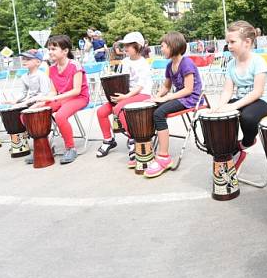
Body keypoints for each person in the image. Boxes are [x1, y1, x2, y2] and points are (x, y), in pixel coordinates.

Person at [213, 20, 267, 172]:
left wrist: (232, 106)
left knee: (248, 117)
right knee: (220, 117)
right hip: (242, 100)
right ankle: (229, 149)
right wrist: (219, 107)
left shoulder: (258, 61)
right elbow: (227, 91)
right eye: (227, 42)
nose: (229, 46)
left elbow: (257, 92)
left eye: (232, 42)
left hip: (260, 101)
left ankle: (246, 142)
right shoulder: (231, 64)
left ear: (247, 42)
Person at [150, 32, 203, 177]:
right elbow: (166, 87)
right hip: (180, 97)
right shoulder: (169, 66)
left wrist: (167, 98)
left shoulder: (186, 63)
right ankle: (147, 147)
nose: (161, 49)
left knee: (159, 113)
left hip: (192, 98)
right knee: (152, 108)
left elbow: (189, 89)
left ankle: (163, 156)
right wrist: (156, 97)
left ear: (173, 46)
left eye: (163, 46)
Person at [95, 32, 153, 163]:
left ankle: (134, 139)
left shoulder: (143, 63)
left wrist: (124, 97)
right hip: (126, 94)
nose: (125, 48)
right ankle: (108, 140)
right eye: (124, 45)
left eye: (128, 45)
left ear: (138, 46)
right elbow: (122, 80)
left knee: (119, 108)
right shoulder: (125, 61)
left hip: (142, 94)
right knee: (101, 112)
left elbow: (140, 86)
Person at [34, 35, 89, 164]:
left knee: (60, 116)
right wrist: (45, 101)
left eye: (53, 49)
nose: (50, 52)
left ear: (65, 51)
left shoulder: (75, 65)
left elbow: (77, 90)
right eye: (49, 49)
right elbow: (53, 91)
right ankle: (44, 147)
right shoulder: (51, 68)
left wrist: (54, 98)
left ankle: (71, 148)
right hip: (63, 98)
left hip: (79, 98)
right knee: (35, 112)